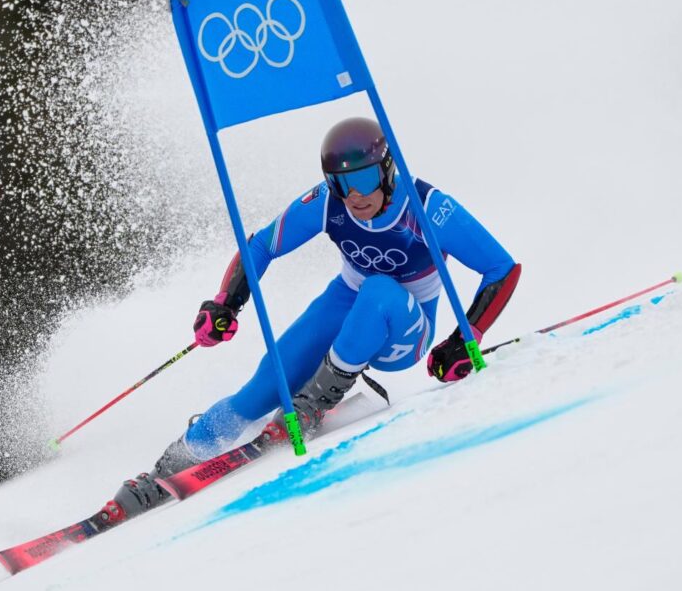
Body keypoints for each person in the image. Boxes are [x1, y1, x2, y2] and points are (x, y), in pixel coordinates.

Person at [106, 117, 521, 520]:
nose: (354, 195)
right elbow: (262, 245)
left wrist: (464, 339)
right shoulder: (328, 203)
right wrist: (226, 303)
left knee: (377, 288)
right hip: (347, 303)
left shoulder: (428, 208)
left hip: (404, 331)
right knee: (262, 389)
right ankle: (170, 467)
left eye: (363, 180)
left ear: (388, 170)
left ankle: (314, 403)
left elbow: (502, 268)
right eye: (341, 184)